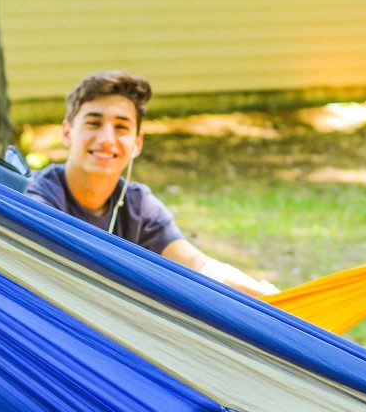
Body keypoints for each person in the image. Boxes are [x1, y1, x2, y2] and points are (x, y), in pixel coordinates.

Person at [25, 71, 278, 296]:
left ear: (137, 143)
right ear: (67, 133)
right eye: (94, 123)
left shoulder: (138, 205)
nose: (106, 139)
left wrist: (264, 294)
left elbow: (198, 265)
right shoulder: (40, 197)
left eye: (121, 127)